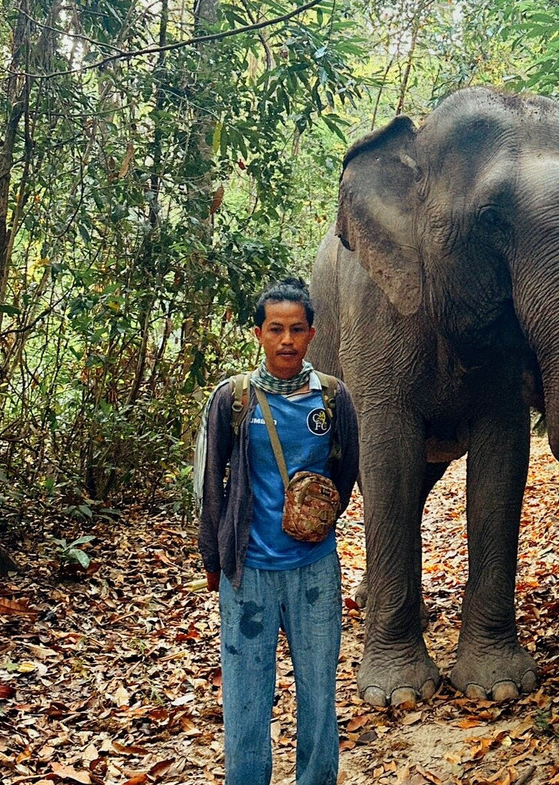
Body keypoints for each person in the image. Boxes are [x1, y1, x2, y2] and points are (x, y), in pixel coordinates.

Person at [198, 278, 359, 785]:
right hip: (249, 573)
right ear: (258, 334)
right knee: (245, 693)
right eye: (275, 330)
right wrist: (213, 559)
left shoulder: (332, 397)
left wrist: (316, 519)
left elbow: (347, 469)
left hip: (315, 571)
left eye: (296, 329)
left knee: (318, 689)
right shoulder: (233, 400)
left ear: (312, 334)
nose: (286, 340)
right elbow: (210, 485)